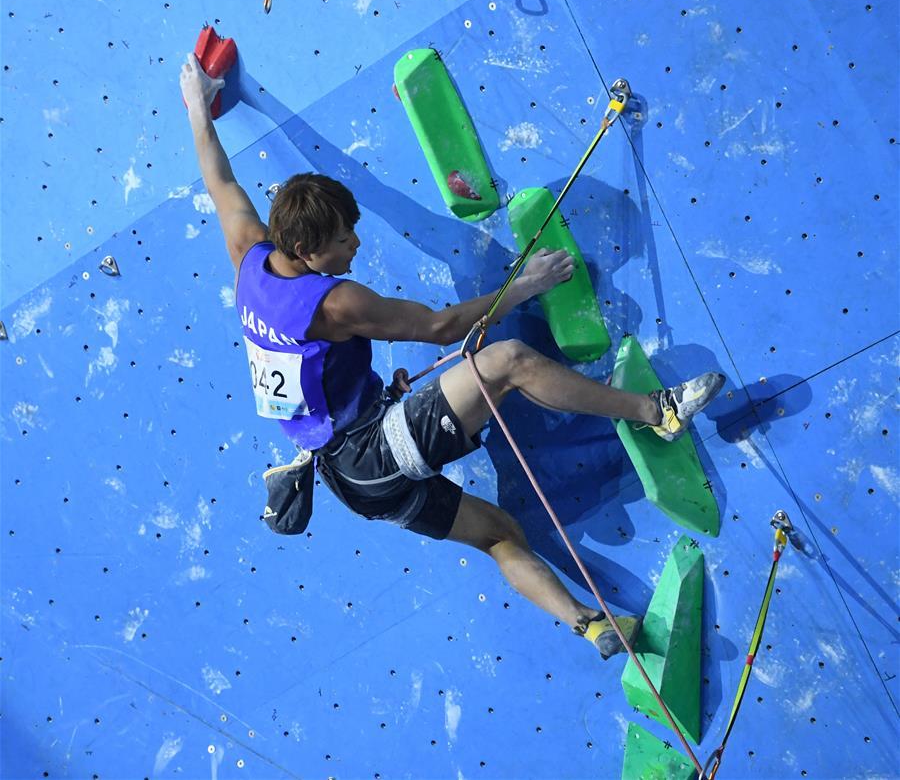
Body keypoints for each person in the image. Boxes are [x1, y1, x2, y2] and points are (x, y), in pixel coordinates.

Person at [181, 53, 725, 660]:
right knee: (509, 360)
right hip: (372, 453)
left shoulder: (250, 259)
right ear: (306, 249)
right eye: (342, 240)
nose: (355, 244)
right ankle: (657, 412)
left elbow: (220, 182)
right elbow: (441, 328)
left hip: (351, 478)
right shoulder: (332, 303)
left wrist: (198, 106)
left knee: (499, 534)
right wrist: (523, 286)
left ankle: (591, 624)